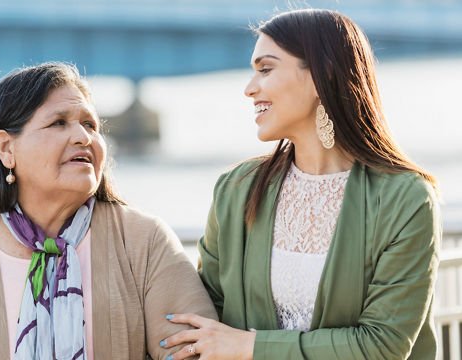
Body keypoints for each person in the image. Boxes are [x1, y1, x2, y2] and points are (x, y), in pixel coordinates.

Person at [162, 9, 442, 360]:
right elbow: (204, 316)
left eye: (265, 69)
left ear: (321, 76)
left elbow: (383, 345)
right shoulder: (236, 190)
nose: (250, 89)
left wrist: (249, 347)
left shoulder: (405, 198)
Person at [0, 62, 216, 359]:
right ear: (6, 149)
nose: (84, 137)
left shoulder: (143, 242)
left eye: (90, 125)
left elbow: (196, 352)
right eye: (58, 123)